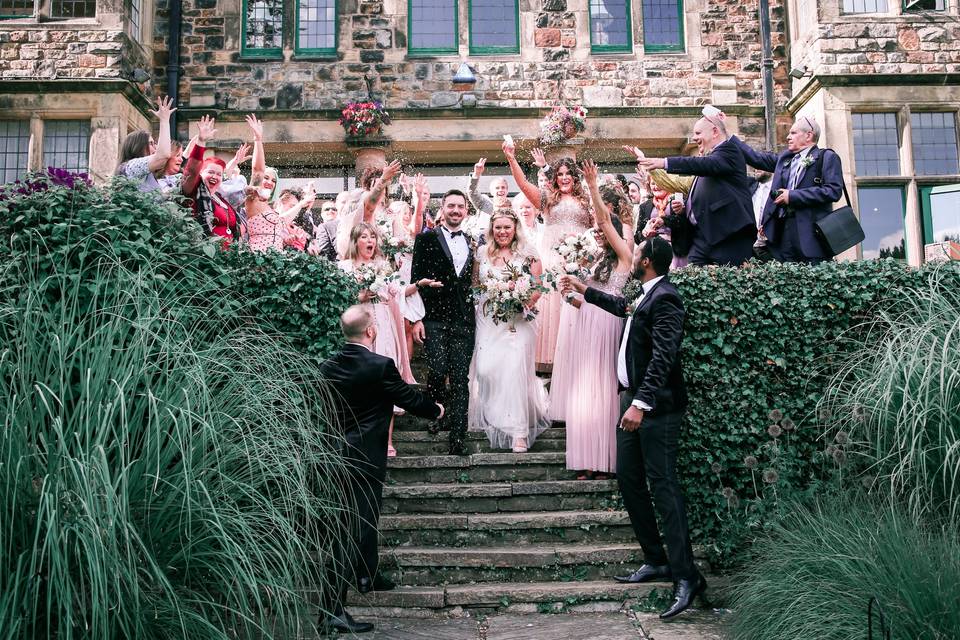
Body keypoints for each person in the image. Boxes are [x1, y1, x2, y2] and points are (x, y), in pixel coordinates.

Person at [561, 236, 705, 620]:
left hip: (655, 409)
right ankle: (655, 560)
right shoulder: (645, 294)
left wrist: (642, 403)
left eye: (639, 251)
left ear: (647, 262)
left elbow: (664, 356)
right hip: (630, 402)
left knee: (664, 486)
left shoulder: (667, 298)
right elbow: (622, 307)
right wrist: (585, 290)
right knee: (629, 478)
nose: (634, 253)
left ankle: (687, 577)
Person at [318, 305, 443, 635]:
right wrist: (438, 409)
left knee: (355, 523)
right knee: (350, 531)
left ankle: (366, 575)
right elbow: (408, 398)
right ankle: (333, 610)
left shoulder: (327, 366)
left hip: (335, 457)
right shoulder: (380, 366)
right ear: (371, 332)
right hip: (366, 459)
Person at [550, 160, 632, 479]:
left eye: (603, 230)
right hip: (586, 325)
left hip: (608, 326)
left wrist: (594, 189)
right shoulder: (593, 260)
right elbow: (582, 300)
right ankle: (586, 460)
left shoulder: (624, 255)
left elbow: (603, 220)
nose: (598, 232)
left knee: (603, 393)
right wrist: (568, 294)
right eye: (597, 231)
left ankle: (606, 461)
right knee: (585, 393)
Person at [339, 222, 431, 457]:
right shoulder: (344, 267)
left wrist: (419, 284)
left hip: (383, 326)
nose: (370, 241)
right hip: (358, 325)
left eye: (372, 237)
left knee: (384, 381)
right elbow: (337, 296)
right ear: (355, 241)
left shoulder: (383, 267)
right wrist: (358, 295)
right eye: (364, 237)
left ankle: (387, 440)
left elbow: (399, 291)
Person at [504, 142, 593, 371]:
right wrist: (512, 159)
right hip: (554, 261)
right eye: (560, 174)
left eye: (568, 174)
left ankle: (580, 357)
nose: (564, 178)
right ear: (555, 179)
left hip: (582, 261)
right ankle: (553, 364)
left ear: (574, 177)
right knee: (553, 308)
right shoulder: (547, 200)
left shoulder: (586, 200)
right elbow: (523, 185)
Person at [469, 208, 550, 453]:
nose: (502, 232)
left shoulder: (528, 254)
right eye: (498, 227)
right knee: (485, 369)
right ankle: (499, 415)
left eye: (507, 227)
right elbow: (475, 284)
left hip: (517, 322)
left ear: (515, 228)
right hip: (487, 320)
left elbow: (537, 287)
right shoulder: (482, 253)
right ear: (491, 229)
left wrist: (519, 300)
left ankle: (519, 433)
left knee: (514, 372)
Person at [633, 107, 755, 266]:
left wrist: (664, 162)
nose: (694, 138)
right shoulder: (708, 161)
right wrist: (667, 219)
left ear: (714, 131)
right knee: (689, 279)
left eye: (698, 133)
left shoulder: (729, 150)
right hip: (705, 238)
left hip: (729, 236)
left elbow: (699, 164)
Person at [410, 189, 476, 456]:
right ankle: (438, 411)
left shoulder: (473, 241)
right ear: (443, 209)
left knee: (460, 378)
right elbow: (416, 279)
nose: (456, 210)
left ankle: (458, 437)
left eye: (460, 207)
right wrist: (417, 319)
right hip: (434, 317)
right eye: (451, 206)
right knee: (437, 370)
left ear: (466, 211)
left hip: (463, 319)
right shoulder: (425, 239)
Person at [733, 117, 844, 264]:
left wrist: (792, 196)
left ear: (808, 135)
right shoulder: (785, 159)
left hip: (811, 236)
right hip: (783, 235)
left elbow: (833, 191)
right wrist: (727, 136)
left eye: (793, 133)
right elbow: (755, 158)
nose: (787, 137)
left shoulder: (827, 157)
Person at [180, 116, 246, 247]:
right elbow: (191, 170)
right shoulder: (194, 191)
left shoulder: (220, 197)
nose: (215, 176)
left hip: (229, 258)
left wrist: (234, 163)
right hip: (205, 256)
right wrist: (201, 142)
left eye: (218, 174)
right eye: (210, 172)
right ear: (201, 173)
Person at [114, 95, 176, 192]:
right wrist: (164, 120)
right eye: (151, 143)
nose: (155, 148)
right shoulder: (131, 167)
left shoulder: (148, 173)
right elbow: (162, 156)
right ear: (138, 147)